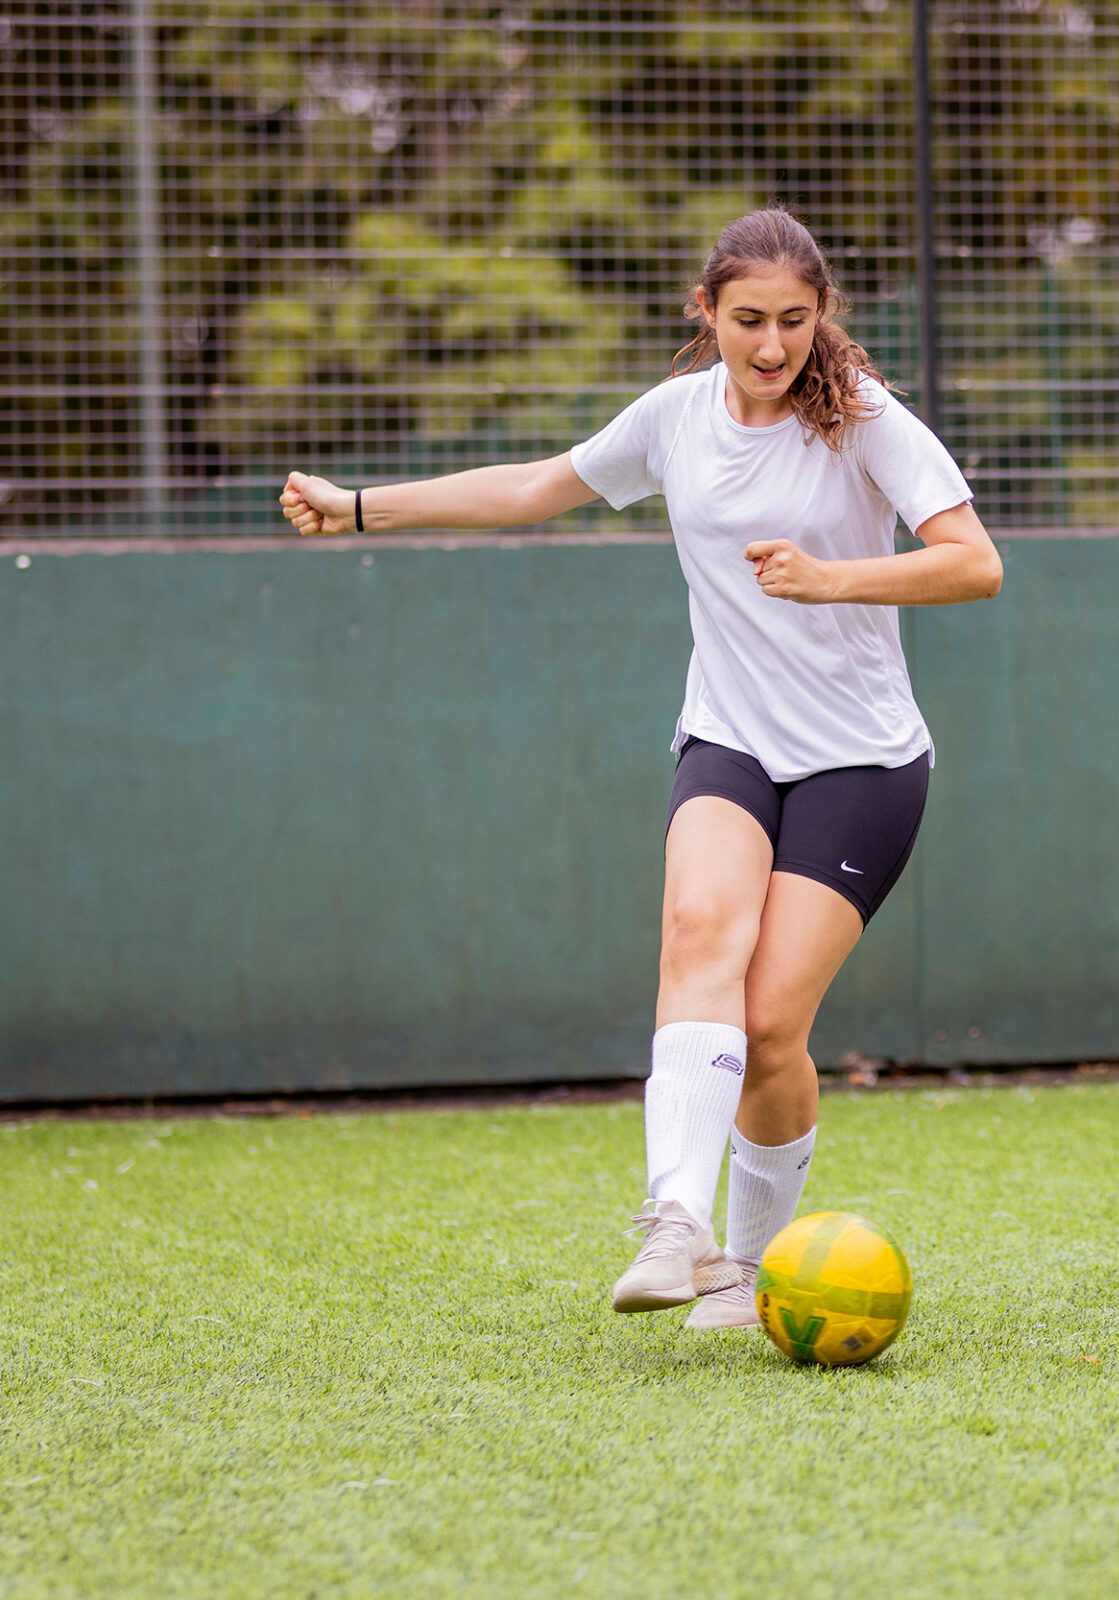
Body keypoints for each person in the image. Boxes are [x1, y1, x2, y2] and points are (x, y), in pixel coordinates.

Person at [279, 209, 1002, 1325]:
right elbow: (530, 489)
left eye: (795, 322)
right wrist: (359, 506)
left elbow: (975, 566)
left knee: (770, 1031)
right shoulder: (674, 419)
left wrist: (831, 579)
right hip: (729, 737)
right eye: (749, 320)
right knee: (696, 934)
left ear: (825, 318)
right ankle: (677, 1221)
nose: (771, 346)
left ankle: (755, 1269)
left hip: (864, 759)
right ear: (704, 312)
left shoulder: (866, 422)